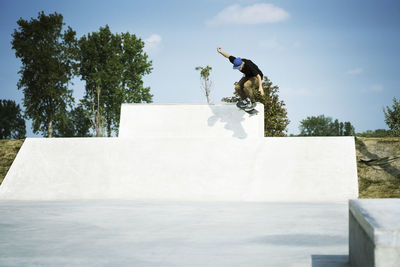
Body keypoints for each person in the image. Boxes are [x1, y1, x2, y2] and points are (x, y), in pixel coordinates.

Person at [217, 46, 264, 110]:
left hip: (256, 77)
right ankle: (246, 100)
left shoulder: (249, 65)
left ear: (242, 64)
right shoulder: (235, 61)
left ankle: (253, 102)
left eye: (239, 68)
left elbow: (258, 76)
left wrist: (260, 87)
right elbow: (228, 56)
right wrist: (220, 52)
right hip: (247, 76)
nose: (238, 69)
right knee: (237, 87)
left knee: (246, 85)